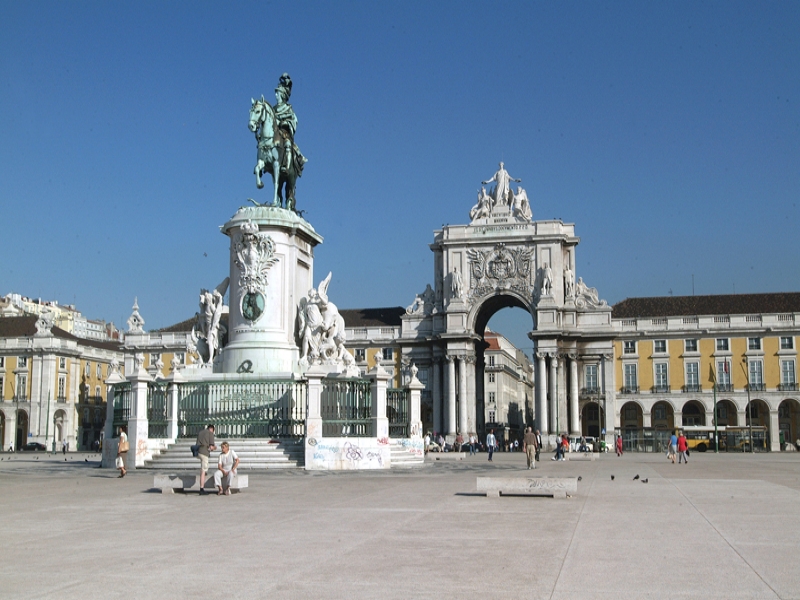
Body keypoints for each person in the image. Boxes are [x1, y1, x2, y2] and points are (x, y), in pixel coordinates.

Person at [196, 424, 217, 494]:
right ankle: (201, 488)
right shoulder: (210, 433)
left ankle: (205, 472)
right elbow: (211, 447)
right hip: (204, 453)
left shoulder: (200, 432)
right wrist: (215, 448)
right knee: (203, 470)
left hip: (198, 452)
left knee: (205, 467)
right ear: (212, 429)